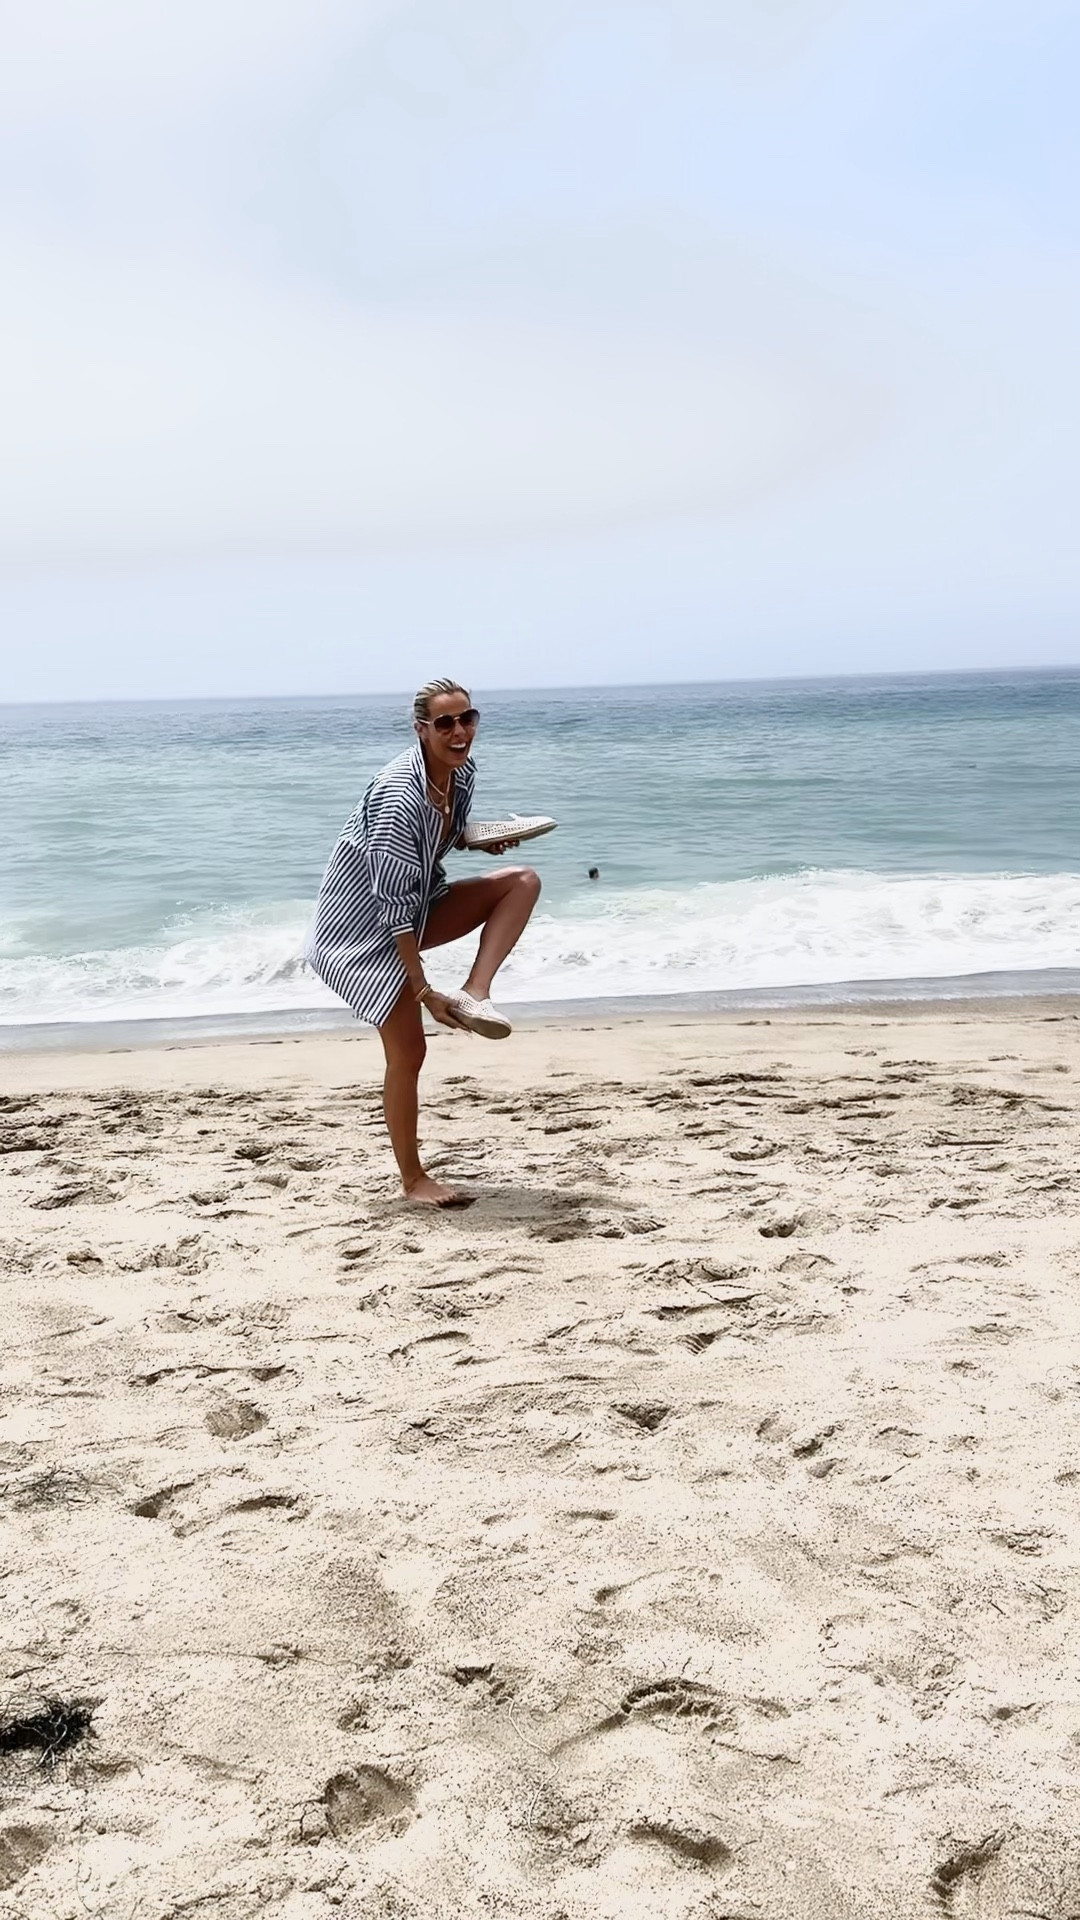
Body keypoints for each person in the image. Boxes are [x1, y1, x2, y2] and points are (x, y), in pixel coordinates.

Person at [307, 679, 541, 1207]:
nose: (460, 732)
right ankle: (413, 1181)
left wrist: (475, 840)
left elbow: (444, 835)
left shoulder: (461, 773)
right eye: (445, 724)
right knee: (409, 1053)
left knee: (521, 881)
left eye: (468, 718)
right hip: (359, 932)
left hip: (415, 905)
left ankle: (474, 991)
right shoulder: (398, 795)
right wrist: (421, 990)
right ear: (421, 729)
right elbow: (389, 906)